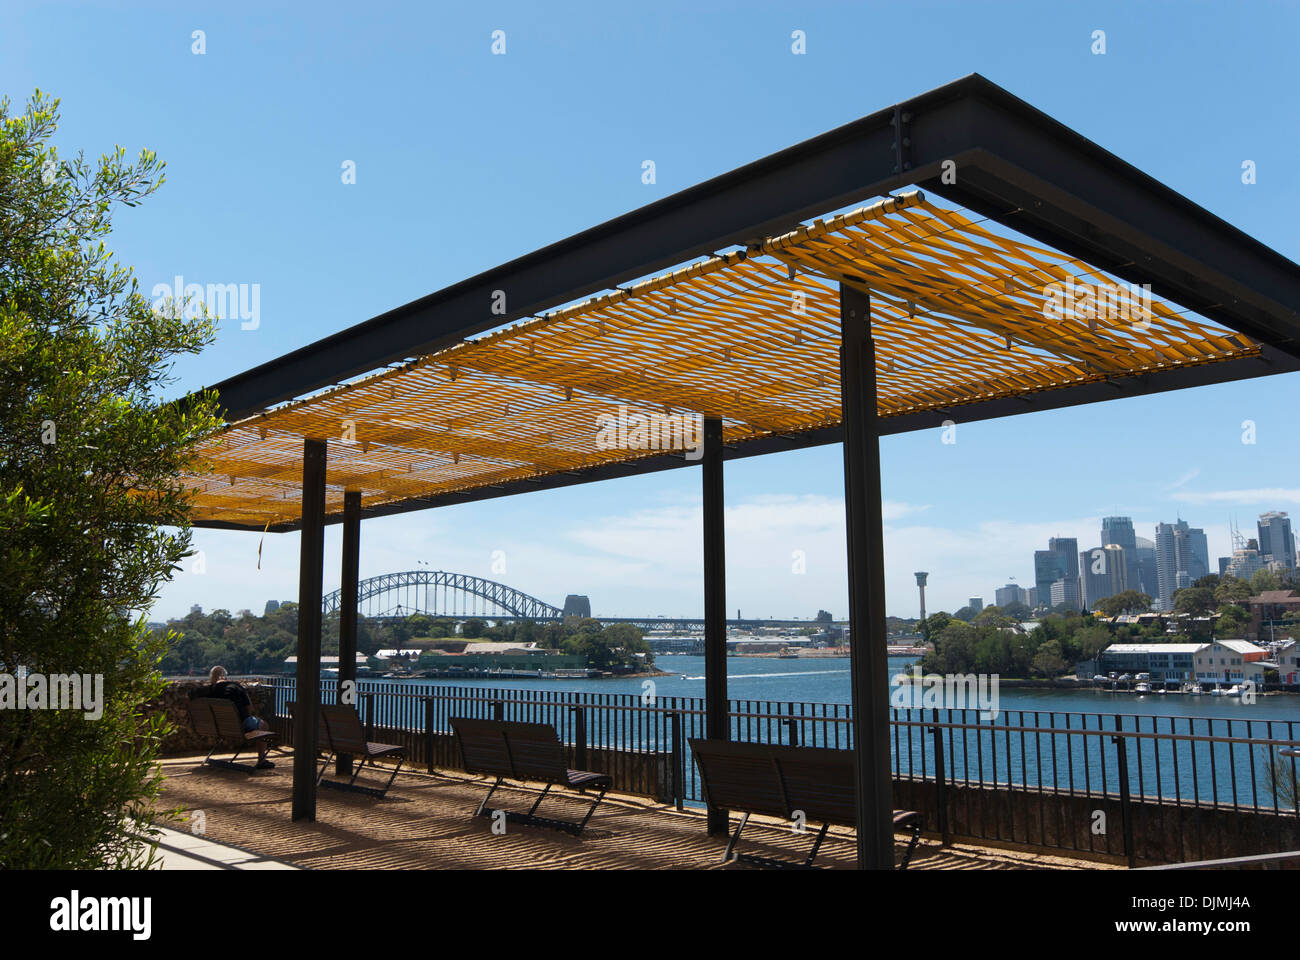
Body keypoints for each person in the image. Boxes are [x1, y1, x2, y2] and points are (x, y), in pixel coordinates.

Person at [193, 666, 274, 768]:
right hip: (239, 726)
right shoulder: (236, 687)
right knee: (264, 725)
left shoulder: (208, 690)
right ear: (224, 676)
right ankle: (261, 760)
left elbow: (190, 695)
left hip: (218, 728)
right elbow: (250, 709)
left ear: (212, 677)